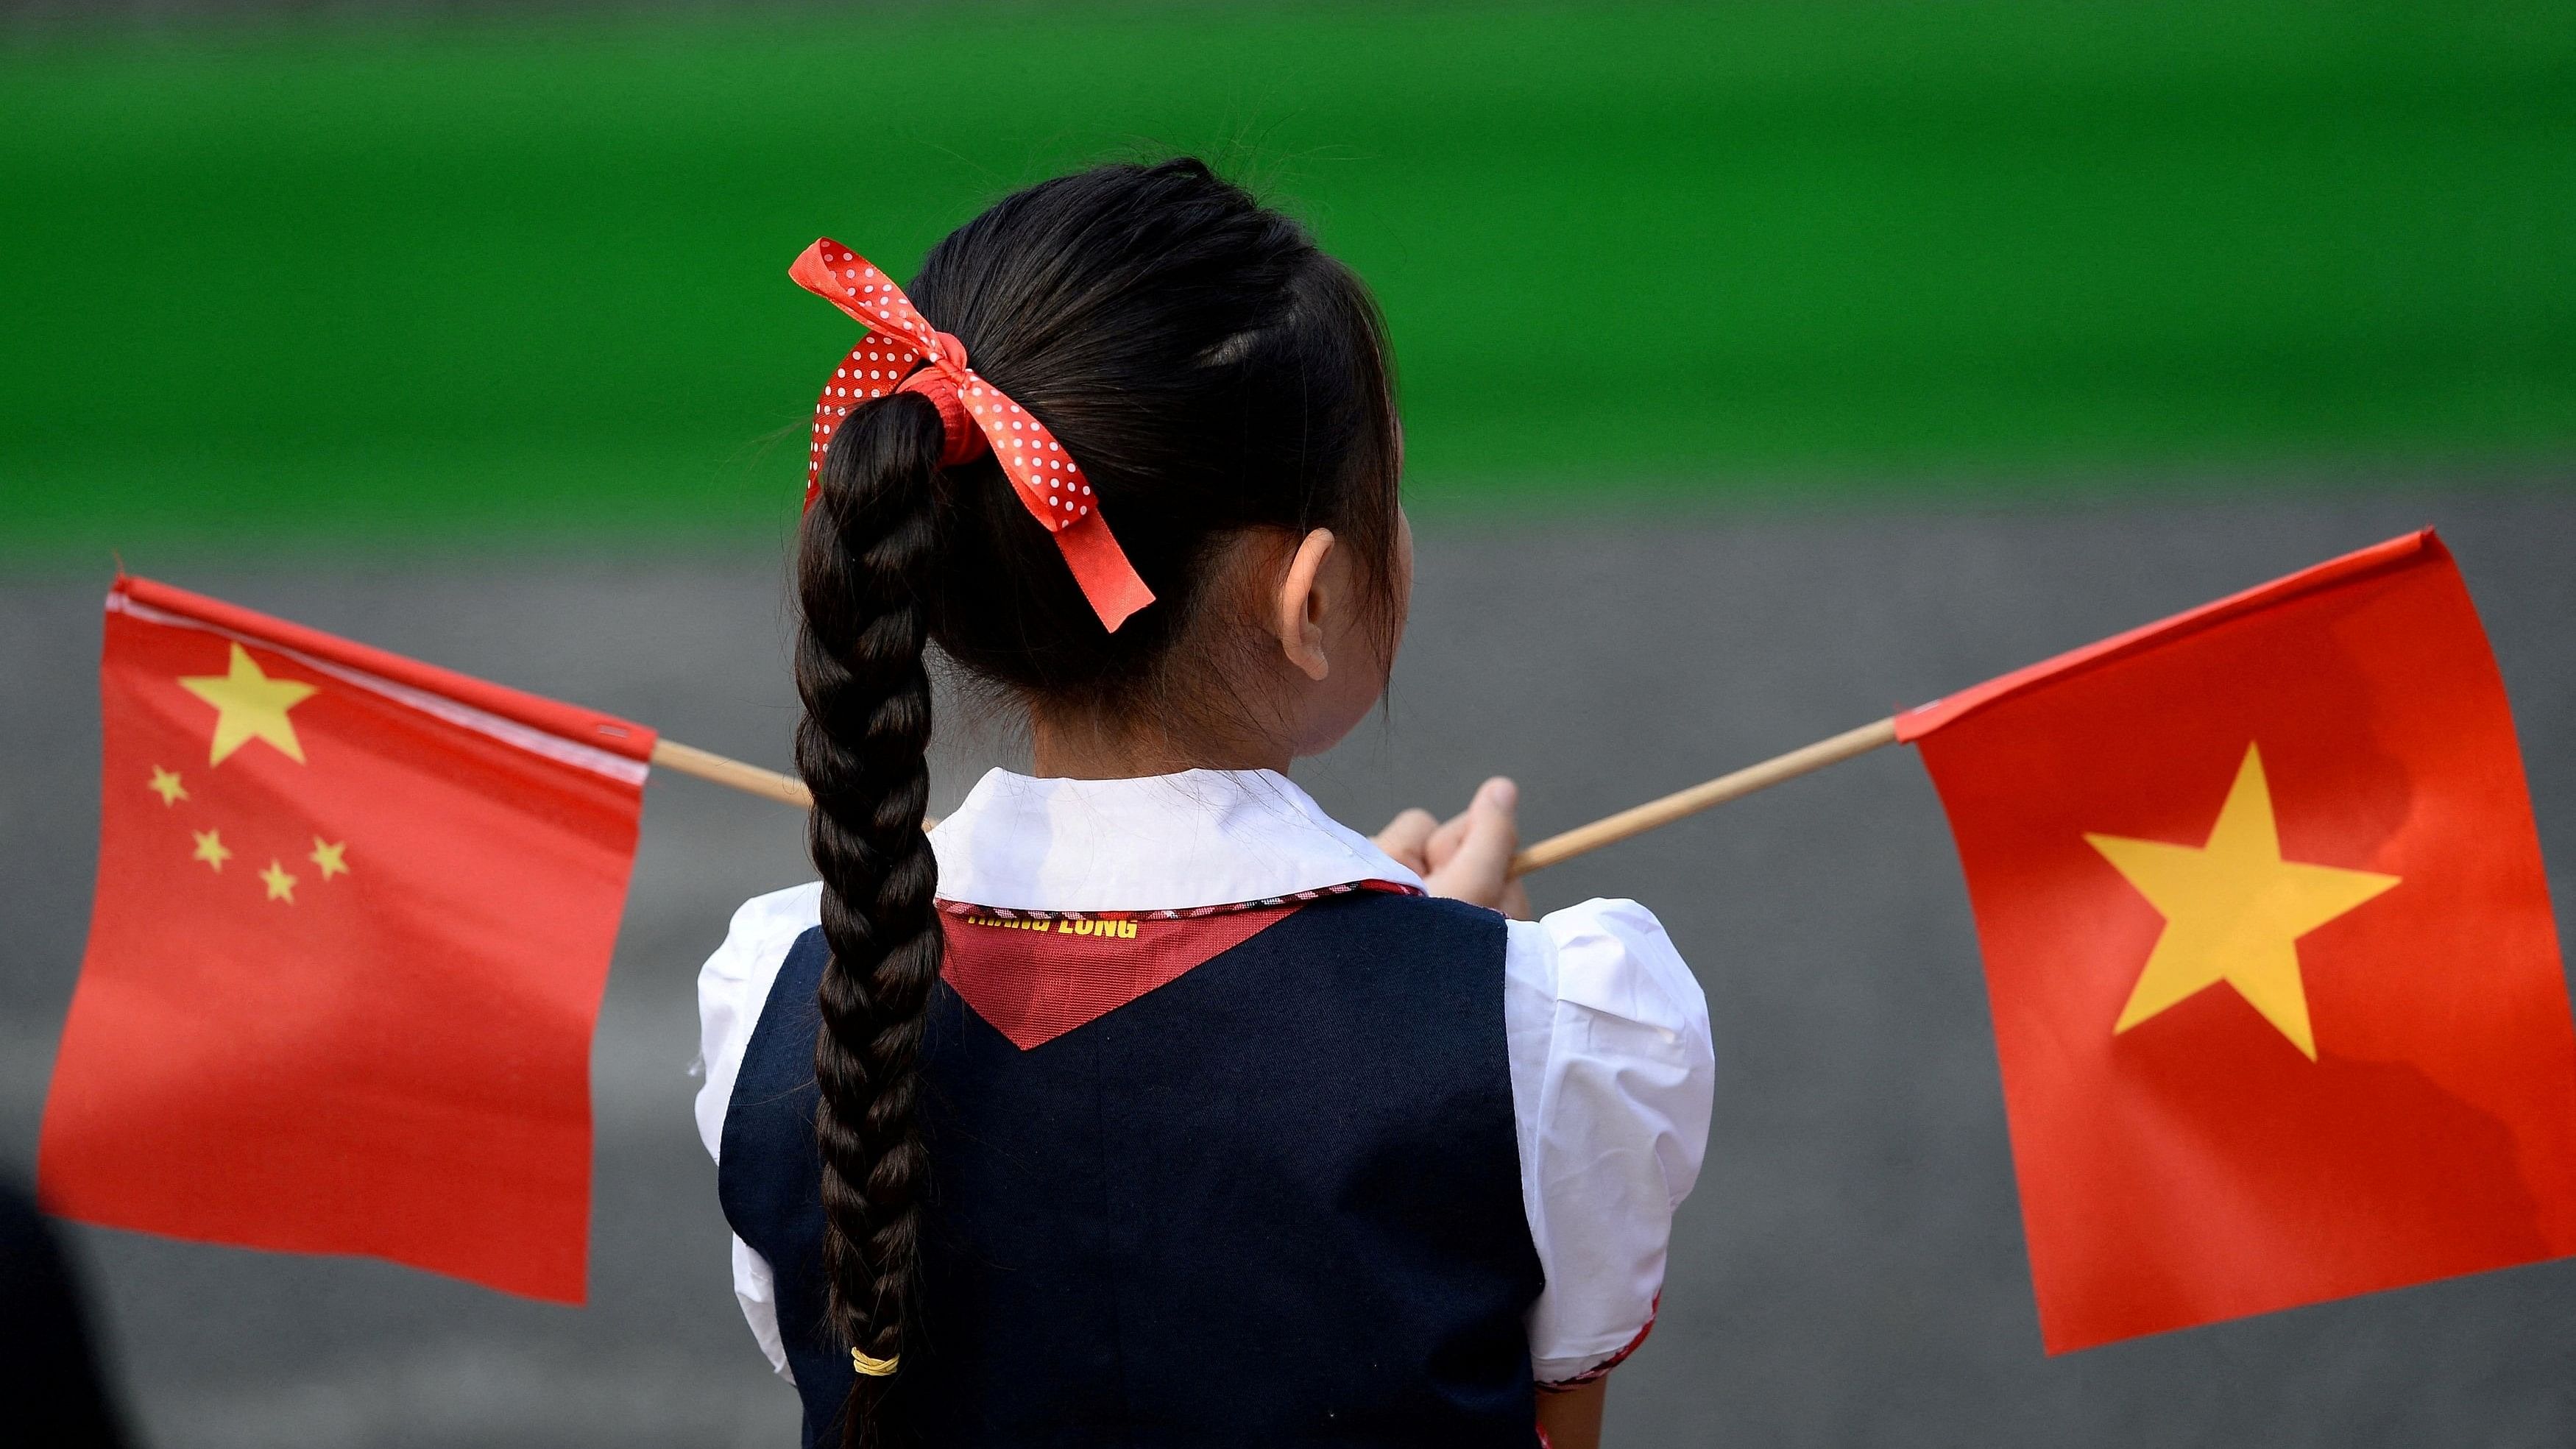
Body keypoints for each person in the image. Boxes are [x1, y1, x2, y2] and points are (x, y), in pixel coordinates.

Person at [694, 158, 1713, 1448]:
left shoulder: (782, 1001)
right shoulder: (1542, 1031)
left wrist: (1421, 946)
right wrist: (1451, 972)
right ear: (1314, 600)